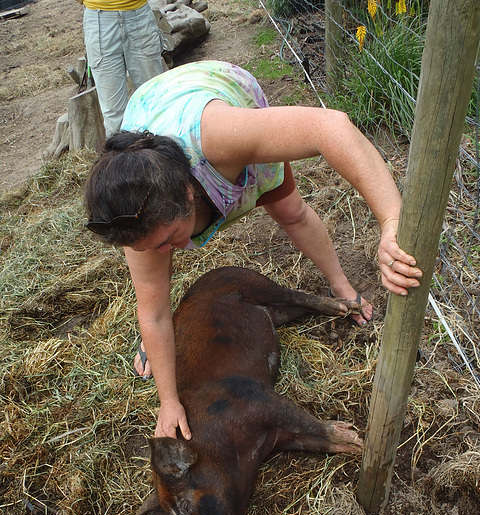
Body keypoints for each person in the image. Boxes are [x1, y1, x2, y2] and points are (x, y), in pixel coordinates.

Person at [84, 60, 423, 440]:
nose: (162, 251)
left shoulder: (223, 139)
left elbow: (331, 126)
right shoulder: (137, 213)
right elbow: (155, 311)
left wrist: (391, 220)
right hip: (150, 111)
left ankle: (340, 284)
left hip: (217, 91)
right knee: (151, 288)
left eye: (169, 239)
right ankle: (155, 349)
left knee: (290, 211)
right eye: (149, 246)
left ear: (188, 193)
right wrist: (169, 400)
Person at [81, 0, 167, 137]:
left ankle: (161, 156)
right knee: (113, 113)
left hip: (139, 17)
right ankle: (120, 157)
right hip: (99, 21)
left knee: (154, 101)